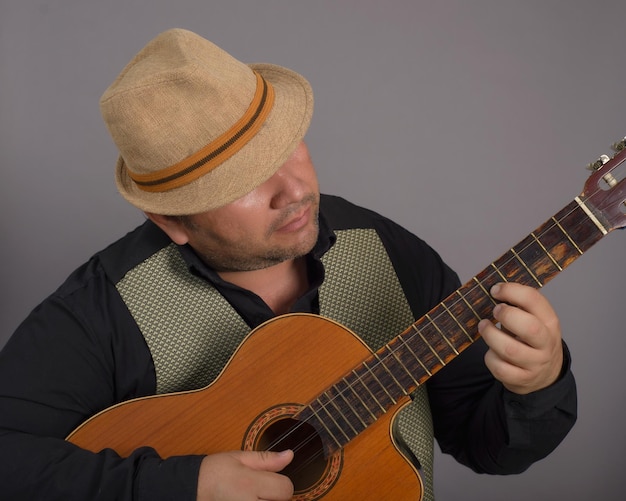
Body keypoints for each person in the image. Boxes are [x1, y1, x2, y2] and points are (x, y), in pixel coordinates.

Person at [0, 28, 576, 501]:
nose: (294, 190)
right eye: (243, 182)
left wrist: (537, 383)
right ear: (173, 222)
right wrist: (184, 483)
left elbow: (486, 445)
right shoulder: (101, 312)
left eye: (286, 147)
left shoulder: (385, 253)